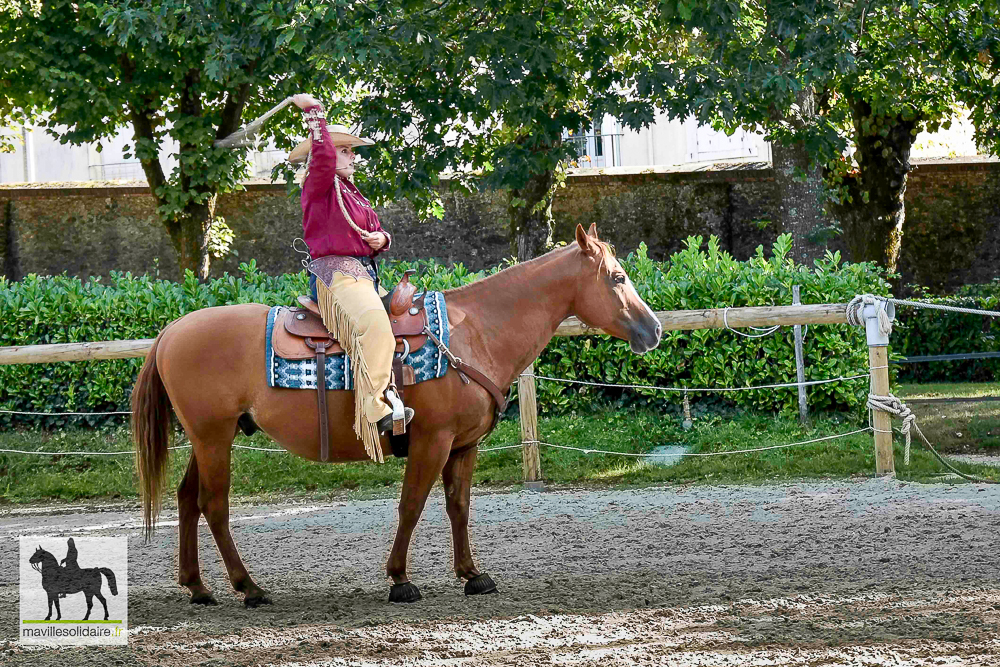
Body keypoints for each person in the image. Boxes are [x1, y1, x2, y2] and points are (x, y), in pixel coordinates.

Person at [291, 93, 413, 463]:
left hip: (365, 275)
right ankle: (377, 409)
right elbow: (324, 157)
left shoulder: (353, 195)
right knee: (375, 324)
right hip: (337, 278)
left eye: (350, 152)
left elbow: (372, 232)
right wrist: (314, 112)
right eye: (347, 151)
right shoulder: (319, 182)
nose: (353, 157)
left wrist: (382, 239)